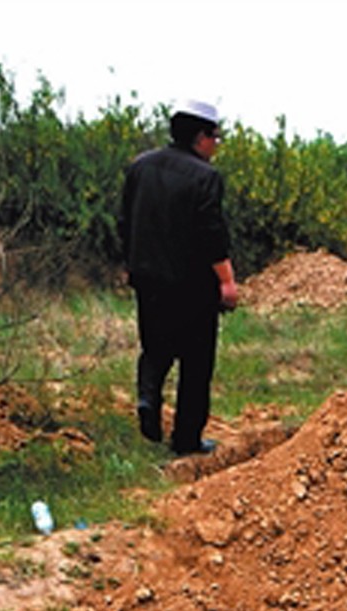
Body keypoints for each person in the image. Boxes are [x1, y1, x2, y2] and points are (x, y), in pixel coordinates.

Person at [120, 99, 239, 456]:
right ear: (201, 136)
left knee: (155, 347)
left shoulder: (140, 167)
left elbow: (124, 222)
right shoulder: (205, 177)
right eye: (216, 138)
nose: (216, 146)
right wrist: (227, 281)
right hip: (192, 287)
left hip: (147, 279)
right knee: (196, 363)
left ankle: (148, 395)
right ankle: (186, 440)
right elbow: (211, 234)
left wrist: (130, 262)